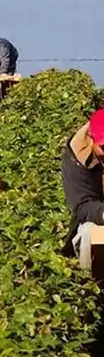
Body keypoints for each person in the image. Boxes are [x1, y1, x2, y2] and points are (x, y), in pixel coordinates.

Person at [62, 109, 104, 262]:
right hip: (97, 216)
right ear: (92, 140)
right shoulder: (77, 157)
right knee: (87, 232)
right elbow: (82, 206)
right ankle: (90, 281)